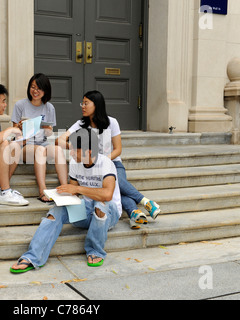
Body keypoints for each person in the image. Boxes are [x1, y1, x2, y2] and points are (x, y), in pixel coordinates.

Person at [10, 128, 121, 273]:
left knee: (100, 204)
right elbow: (72, 194)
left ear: (88, 151)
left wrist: (78, 190)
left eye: (75, 150)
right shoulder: (75, 164)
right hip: (87, 211)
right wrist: (58, 196)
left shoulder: (105, 163)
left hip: (109, 214)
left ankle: (95, 251)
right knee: (56, 211)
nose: (72, 153)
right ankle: (33, 257)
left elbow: (107, 195)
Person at [57, 90, 160, 229]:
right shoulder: (81, 124)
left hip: (113, 163)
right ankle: (140, 207)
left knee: (117, 183)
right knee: (113, 189)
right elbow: (59, 140)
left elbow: (118, 149)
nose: (82, 106)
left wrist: (102, 162)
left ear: (96, 105)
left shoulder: (112, 122)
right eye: (82, 103)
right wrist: (75, 147)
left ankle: (138, 208)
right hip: (89, 165)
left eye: (86, 103)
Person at [11, 73, 68, 202]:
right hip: (25, 146)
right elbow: (15, 132)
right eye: (33, 87)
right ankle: (42, 191)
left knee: (58, 150)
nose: (35, 91)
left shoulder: (49, 108)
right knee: (40, 150)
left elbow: (48, 134)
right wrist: (20, 127)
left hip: (42, 143)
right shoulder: (20, 105)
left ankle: (65, 188)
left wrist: (47, 130)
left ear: (45, 90)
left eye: (39, 88)